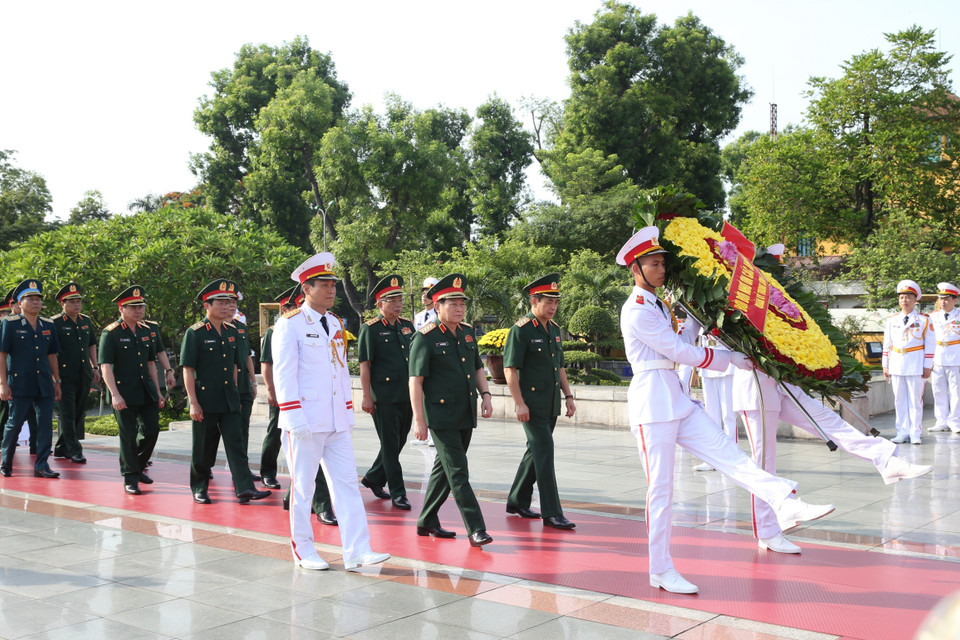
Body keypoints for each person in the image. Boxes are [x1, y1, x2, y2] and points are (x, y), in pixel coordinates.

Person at [617, 227, 836, 595]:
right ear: (635, 270)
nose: (661, 269)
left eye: (662, 263)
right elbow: (678, 351)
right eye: (653, 264)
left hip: (676, 397)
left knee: (729, 455)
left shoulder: (659, 304)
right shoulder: (636, 309)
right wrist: (728, 358)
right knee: (661, 491)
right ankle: (660, 569)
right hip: (652, 404)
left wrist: (701, 322)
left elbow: (683, 341)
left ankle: (783, 501)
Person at [732, 367, 932, 553]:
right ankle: (768, 532)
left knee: (829, 420)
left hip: (784, 381)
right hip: (755, 387)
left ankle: (885, 459)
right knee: (765, 461)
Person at [273, 252, 389, 571]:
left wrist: (347, 413)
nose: (331, 290)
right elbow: (283, 375)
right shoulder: (290, 325)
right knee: (303, 487)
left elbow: (339, 372)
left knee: (347, 484)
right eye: (323, 284)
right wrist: (294, 417)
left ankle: (357, 550)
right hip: (305, 421)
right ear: (306, 288)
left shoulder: (336, 323)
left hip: (336, 420)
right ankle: (304, 550)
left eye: (333, 284)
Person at [409, 273, 495, 547]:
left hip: (465, 412)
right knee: (458, 470)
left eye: (462, 304)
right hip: (441, 415)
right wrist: (419, 420)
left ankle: (426, 520)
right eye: (452, 304)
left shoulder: (468, 332)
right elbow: (416, 381)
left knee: (444, 469)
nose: (459, 309)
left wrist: (486, 395)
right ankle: (476, 528)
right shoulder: (425, 337)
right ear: (437, 306)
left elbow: (477, 367)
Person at [181, 279, 270, 505]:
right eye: (219, 302)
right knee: (202, 447)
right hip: (205, 399)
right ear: (206, 306)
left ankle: (244, 488)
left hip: (230, 398)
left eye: (228, 302)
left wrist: (236, 390)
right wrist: (193, 402)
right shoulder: (195, 333)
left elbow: (233, 365)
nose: (225, 306)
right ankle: (199, 487)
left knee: (236, 443)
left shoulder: (231, 331)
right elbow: (188, 370)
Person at [503, 273, 577, 530]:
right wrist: (519, 403)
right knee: (545, 453)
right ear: (534, 301)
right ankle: (552, 512)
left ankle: (516, 500)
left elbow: (560, 368)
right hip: (531, 404)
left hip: (551, 403)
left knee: (535, 453)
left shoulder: (555, 330)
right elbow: (510, 369)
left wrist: (568, 397)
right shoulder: (520, 330)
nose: (553, 307)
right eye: (548, 302)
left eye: (556, 302)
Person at [263, 285, 337, 525]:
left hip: (310, 403)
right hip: (287, 398)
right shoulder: (279, 330)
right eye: (292, 306)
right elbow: (270, 366)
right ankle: (270, 473)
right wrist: (273, 393)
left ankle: (318, 503)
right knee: (279, 440)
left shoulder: (325, 324)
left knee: (309, 461)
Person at [357, 274, 415, 510]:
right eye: (392, 301)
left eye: (400, 300)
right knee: (390, 446)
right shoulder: (370, 329)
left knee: (398, 441)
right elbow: (365, 365)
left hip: (407, 395)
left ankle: (373, 477)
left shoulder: (407, 326)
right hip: (384, 397)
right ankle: (398, 492)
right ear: (380, 304)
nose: (398, 304)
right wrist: (367, 396)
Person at [99, 286, 164, 494]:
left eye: (141, 306)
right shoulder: (111, 333)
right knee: (128, 435)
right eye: (133, 307)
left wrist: (159, 391)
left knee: (152, 430)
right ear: (122, 309)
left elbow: (151, 364)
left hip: (146, 390)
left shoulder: (146, 330)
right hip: (124, 392)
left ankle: (137, 465)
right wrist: (115, 394)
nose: (138, 310)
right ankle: (130, 477)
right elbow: (105, 367)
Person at [0, 279, 62, 478]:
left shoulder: (48, 325)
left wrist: (57, 381)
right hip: (20, 382)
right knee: (14, 423)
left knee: (45, 425)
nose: (35, 302)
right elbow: (2, 355)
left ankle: (42, 465)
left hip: (43, 382)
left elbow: (52, 355)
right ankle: (6, 461)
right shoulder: (9, 324)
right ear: (20, 302)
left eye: (38, 299)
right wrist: (2, 383)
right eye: (30, 299)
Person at [51, 282, 99, 464]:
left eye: (79, 301)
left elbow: (91, 344)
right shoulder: (55, 323)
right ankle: (74, 449)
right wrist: (54, 377)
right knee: (67, 413)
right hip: (64, 376)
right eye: (72, 302)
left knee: (79, 412)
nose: (77, 305)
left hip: (83, 374)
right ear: (63, 304)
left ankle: (61, 447)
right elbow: (51, 353)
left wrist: (95, 367)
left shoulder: (85, 321)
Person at [882, 280, 935, 444]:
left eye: (908, 297)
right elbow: (887, 343)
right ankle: (902, 431)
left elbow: (930, 344)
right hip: (897, 363)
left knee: (915, 401)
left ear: (915, 300)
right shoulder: (892, 320)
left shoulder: (924, 320)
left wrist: (927, 366)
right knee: (899, 400)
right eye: (902, 297)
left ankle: (915, 433)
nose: (904, 300)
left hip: (915, 364)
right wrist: (885, 364)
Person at [692, 323, 736, 472]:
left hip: (726, 360)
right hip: (707, 361)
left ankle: (731, 457)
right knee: (711, 415)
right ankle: (713, 458)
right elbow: (698, 338)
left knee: (728, 413)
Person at [929, 282, 960, 434]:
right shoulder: (932, 317)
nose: (943, 302)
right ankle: (941, 421)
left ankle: (954, 421)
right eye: (941, 299)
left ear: (955, 300)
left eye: (947, 299)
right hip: (937, 356)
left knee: (956, 391)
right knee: (938, 390)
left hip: (956, 357)